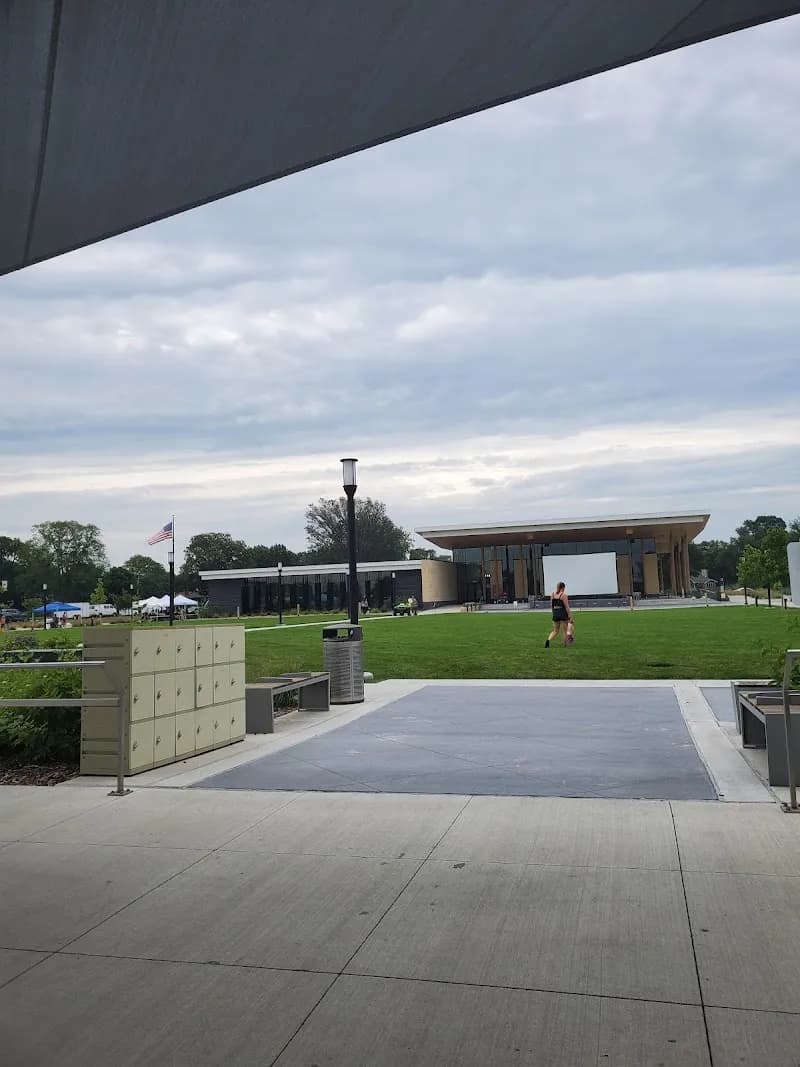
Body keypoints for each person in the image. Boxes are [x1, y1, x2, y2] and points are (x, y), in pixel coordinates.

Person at [545, 581, 572, 647]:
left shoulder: (552, 594)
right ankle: (565, 645)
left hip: (555, 614)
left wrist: (554, 613)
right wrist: (570, 615)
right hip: (563, 614)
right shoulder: (564, 595)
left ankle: (548, 640)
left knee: (555, 630)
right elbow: (566, 606)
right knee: (565, 630)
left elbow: (551, 605)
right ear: (563, 588)